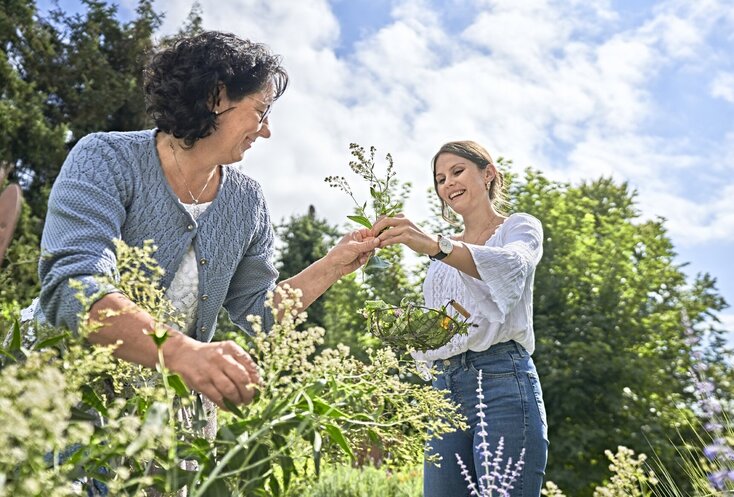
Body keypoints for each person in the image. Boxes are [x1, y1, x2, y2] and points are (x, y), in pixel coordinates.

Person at [35, 30, 378, 411]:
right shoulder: (106, 158)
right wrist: (183, 354)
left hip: (168, 410)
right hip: (66, 395)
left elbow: (259, 312)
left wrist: (331, 267)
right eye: (260, 111)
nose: (266, 130)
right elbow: (73, 287)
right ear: (216, 98)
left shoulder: (246, 201)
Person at [370, 141, 548, 497]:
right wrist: (411, 328)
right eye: (439, 179)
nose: (448, 183)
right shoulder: (443, 248)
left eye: (457, 171)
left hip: (502, 377)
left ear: (488, 174)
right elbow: (452, 316)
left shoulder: (519, 227)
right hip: (445, 386)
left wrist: (438, 246)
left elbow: (513, 267)